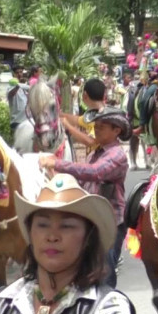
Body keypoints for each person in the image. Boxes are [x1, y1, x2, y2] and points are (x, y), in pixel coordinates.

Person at [0, 174, 135, 314]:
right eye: (43, 225)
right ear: (30, 234)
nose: (52, 236)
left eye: (66, 226)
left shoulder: (108, 308)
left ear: (88, 238)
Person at [39, 108, 131, 289]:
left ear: (116, 131)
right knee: (88, 271)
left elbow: (94, 172)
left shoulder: (117, 155)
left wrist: (58, 163)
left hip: (110, 221)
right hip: (93, 219)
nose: (96, 129)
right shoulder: (96, 153)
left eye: (101, 127)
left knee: (105, 272)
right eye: (95, 126)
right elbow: (82, 180)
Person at [62, 79, 107, 152]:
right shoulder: (93, 113)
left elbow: (91, 141)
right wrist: (58, 114)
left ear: (85, 95)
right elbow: (76, 120)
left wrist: (68, 126)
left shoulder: (101, 116)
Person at [7, 66, 30, 132]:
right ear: (13, 74)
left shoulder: (24, 86)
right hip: (17, 122)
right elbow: (11, 94)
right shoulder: (10, 86)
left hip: (27, 121)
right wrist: (18, 85)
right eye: (17, 73)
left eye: (21, 72)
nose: (19, 74)